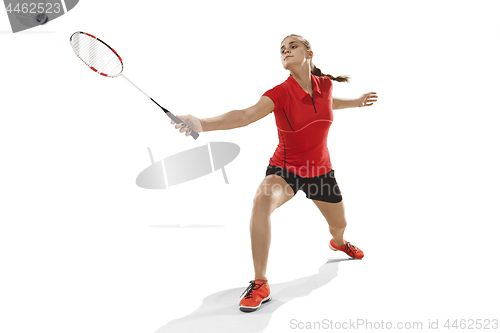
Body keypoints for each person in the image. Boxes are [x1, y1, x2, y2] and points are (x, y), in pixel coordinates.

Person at [170, 34, 378, 312]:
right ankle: (260, 282)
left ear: (309, 53)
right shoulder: (280, 93)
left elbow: (329, 102)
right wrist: (201, 123)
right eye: (282, 49)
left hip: (321, 172)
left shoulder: (325, 85)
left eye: (293, 46)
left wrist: (356, 102)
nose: (286, 50)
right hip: (286, 170)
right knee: (262, 200)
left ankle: (338, 243)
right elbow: (244, 116)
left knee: (339, 225)